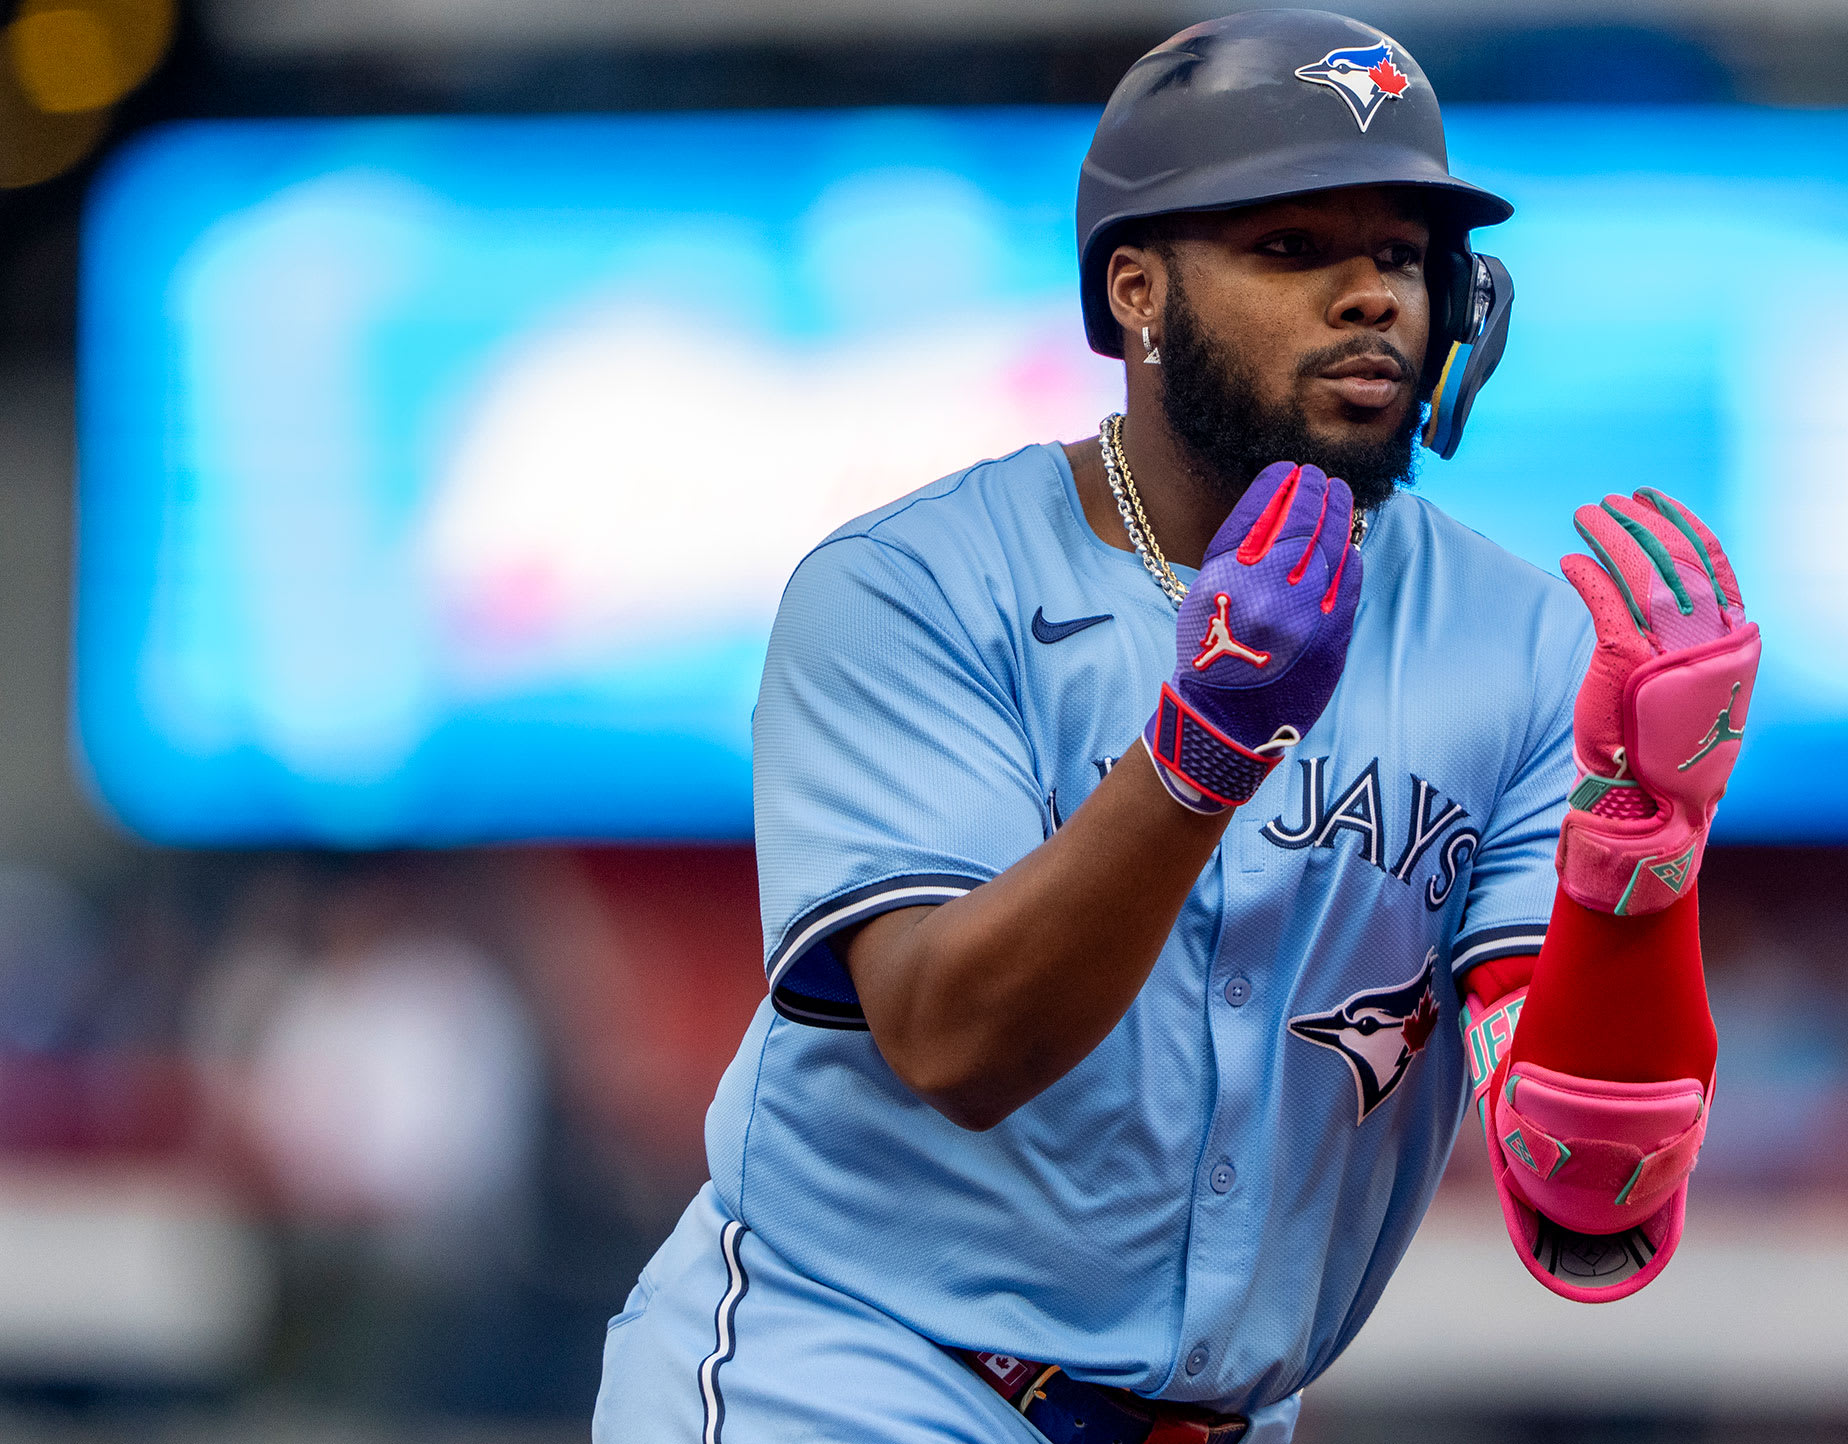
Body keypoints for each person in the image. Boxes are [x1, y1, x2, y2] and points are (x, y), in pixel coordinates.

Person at [593, 11, 1760, 1441]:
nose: (1369, 298)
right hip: (849, 1378)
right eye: (1292, 249)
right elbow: (956, 1045)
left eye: (1400, 255)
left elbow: (1586, 1203)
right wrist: (1197, 756)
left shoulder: (1516, 644)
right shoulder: (910, 589)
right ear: (1135, 291)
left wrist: (1643, 863)